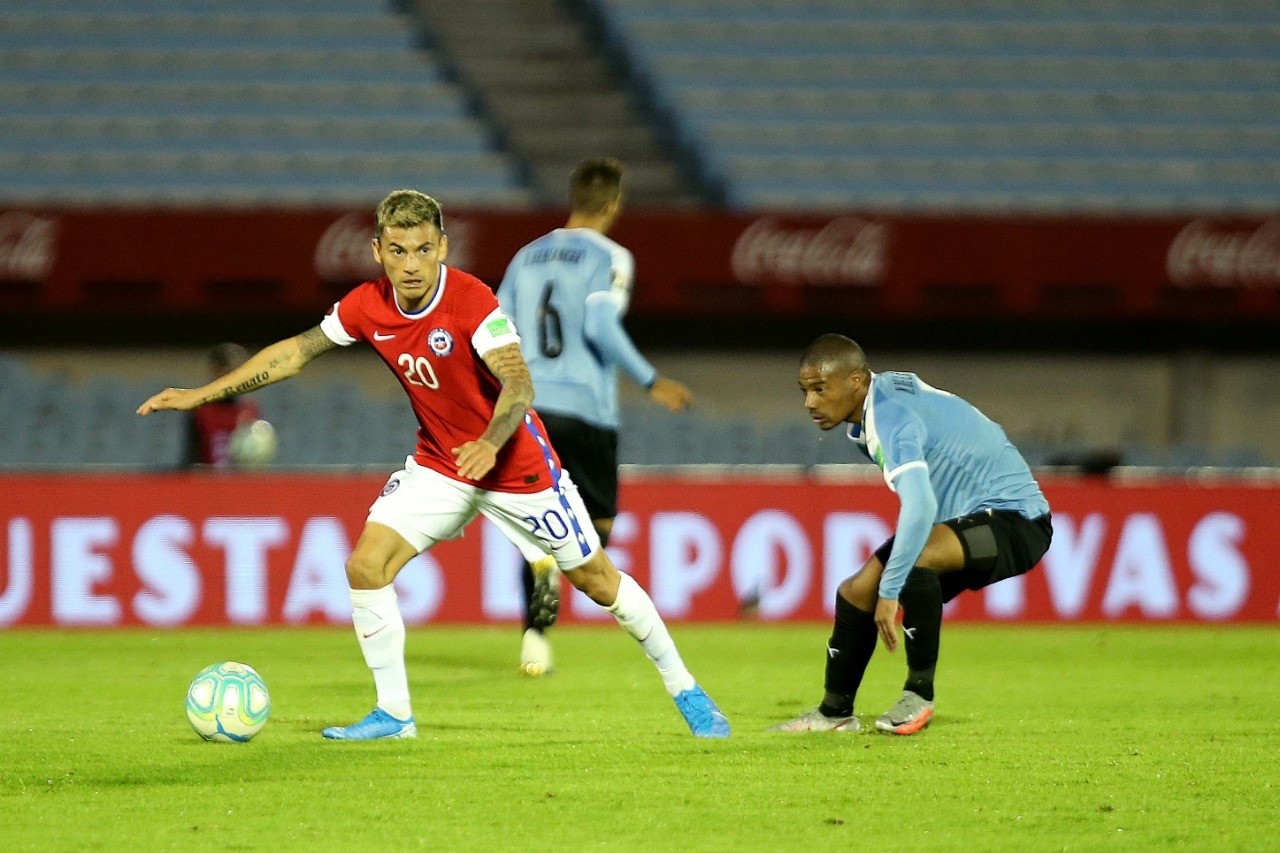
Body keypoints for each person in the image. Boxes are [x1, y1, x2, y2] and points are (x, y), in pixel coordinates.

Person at [138, 189, 729, 741]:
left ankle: (686, 688)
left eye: (424, 249)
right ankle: (394, 714)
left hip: (517, 469)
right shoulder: (367, 306)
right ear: (378, 252)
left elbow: (519, 386)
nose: (412, 264)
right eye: (398, 251)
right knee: (366, 566)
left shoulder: (474, 301)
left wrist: (492, 442)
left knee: (598, 583)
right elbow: (296, 352)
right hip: (441, 466)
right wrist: (200, 394)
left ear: (443, 247)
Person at [773, 334, 1051, 735]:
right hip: (968, 519)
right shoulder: (881, 397)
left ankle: (918, 695)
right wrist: (882, 587)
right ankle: (834, 714)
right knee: (856, 590)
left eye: (820, 389)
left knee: (912, 565)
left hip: (1016, 521)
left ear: (855, 380)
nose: (809, 403)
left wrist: (891, 592)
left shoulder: (889, 418)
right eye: (805, 391)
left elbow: (920, 507)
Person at [497, 158, 693, 676]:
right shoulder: (611, 256)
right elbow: (602, 325)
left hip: (531, 407)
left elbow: (496, 328)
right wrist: (652, 380)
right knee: (598, 525)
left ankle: (535, 637)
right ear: (613, 204)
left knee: (542, 521)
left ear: (574, 197)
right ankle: (553, 568)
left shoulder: (526, 256)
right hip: (586, 409)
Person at [182, 343, 260, 468]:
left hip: (241, 485)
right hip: (209, 485)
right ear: (216, 370)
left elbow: (256, 461)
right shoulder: (200, 410)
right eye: (231, 372)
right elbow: (191, 459)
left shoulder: (249, 410)